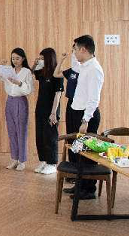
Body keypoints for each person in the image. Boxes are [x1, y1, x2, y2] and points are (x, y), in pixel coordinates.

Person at [66, 35, 104, 199]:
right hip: (77, 112)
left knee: (87, 153)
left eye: (75, 49)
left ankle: (89, 189)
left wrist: (85, 120)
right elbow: (74, 66)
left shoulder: (94, 69)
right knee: (77, 152)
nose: (74, 53)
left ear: (83, 49)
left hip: (86, 116)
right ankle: (80, 184)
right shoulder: (84, 66)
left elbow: (94, 99)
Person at [0, 48, 33, 171]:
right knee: (11, 131)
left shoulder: (27, 72)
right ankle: (14, 159)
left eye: (17, 58)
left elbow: (29, 89)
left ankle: (22, 160)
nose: (15, 61)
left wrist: (19, 83)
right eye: (13, 58)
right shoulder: (9, 70)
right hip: (10, 101)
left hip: (21, 101)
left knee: (21, 131)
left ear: (23, 59)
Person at [32, 48, 64, 175]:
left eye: (42, 58)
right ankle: (43, 160)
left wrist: (53, 113)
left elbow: (58, 94)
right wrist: (35, 63)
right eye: (40, 58)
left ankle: (52, 163)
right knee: (40, 136)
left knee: (50, 136)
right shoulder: (42, 72)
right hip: (40, 108)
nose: (41, 60)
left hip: (51, 110)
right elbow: (32, 72)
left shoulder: (57, 73)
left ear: (49, 59)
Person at [53, 51, 81, 134]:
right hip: (71, 102)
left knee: (78, 131)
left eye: (75, 51)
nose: (73, 54)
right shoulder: (71, 70)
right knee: (70, 130)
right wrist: (61, 60)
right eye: (72, 52)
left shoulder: (84, 70)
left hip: (80, 103)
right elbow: (55, 74)